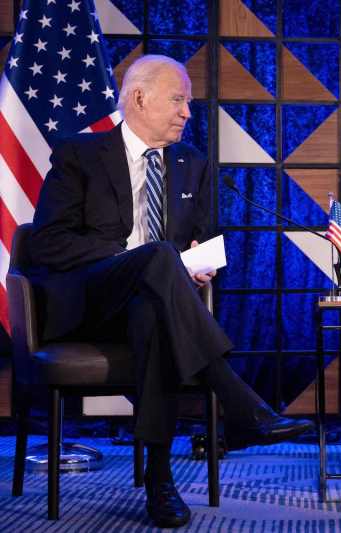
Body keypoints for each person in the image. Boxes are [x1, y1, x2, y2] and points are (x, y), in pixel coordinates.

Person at [27, 54, 313, 528]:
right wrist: (134, 257)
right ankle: (240, 404)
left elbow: (199, 239)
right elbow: (47, 244)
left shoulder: (192, 163)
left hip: (153, 302)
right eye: (178, 100)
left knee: (152, 311)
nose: (187, 112)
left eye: (188, 103)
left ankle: (161, 481)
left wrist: (199, 264)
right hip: (88, 300)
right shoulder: (80, 154)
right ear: (139, 98)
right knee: (157, 258)